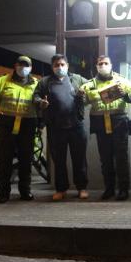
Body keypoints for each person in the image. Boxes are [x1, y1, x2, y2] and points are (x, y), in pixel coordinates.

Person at [80, 55, 131, 201]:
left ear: (111, 65)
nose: (103, 66)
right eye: (100, 64)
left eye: (106, 63)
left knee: (121, 158)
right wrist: (80, 96)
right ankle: (109, 189)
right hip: (100, 125)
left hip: (119, 123)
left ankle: (123, 190)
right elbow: (82, 102)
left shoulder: (121, 81)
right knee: (105, 159)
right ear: (96, 66)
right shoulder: (89, 85)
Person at [34, 54, 89, 201]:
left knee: (79, 159)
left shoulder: (77, 79)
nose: (59, 67)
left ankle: (82, 188)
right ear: (52, 67)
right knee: (58, 161)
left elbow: (91, 87)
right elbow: (36, 96)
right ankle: (61, 189)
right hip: (55, 127)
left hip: (76, 126)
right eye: (56, 65)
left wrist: (83, 94)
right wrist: (40, 102)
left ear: (67, 66)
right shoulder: (45, 82)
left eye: (62, 65)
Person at [0, 56, 38, 203]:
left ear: (31, 68)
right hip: (6, 125)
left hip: (28, 124)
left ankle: (25, 191)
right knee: (4, 159)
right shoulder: (1, 81)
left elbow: (40, 103)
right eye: (20, 64)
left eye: (26, 65)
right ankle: (3, 193)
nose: (23, 68)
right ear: (15, 65)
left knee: (26, 159)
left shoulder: (36, 84)